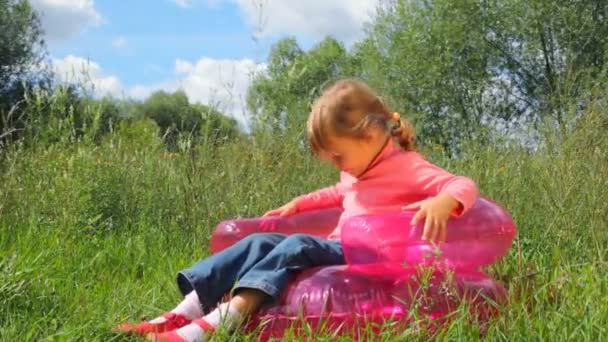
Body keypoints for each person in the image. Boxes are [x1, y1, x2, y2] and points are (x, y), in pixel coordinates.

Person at [114, 79, 479, 342]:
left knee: (300, 244)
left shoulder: (407, 166)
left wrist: (443, 201)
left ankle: (225, 319)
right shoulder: (359, 167)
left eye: (338, 155)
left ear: (369, 134)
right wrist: (298, 203)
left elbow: (462, 184)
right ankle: (188, 307)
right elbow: (338, 193)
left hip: (370, 255)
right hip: (344, 248)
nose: (338, 164)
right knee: (259, 242)